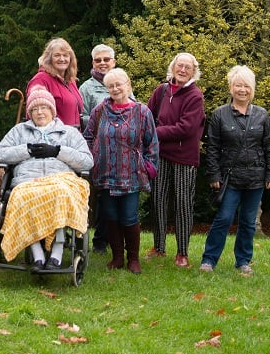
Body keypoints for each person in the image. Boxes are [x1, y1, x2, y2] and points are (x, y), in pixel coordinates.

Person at [0, 87, 93, 269]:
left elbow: (87, 162)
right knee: (22, 196)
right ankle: (38, 254)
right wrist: (26, 150)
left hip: (61, 180)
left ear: (52, 110)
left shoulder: (68, 133)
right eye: (35, 109)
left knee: (61, 193)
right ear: (29, 113)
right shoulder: (19, 131)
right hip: (28, 181)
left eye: (44, 108)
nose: (40, 112)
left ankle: (57, 253)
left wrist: (58, 151)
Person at [199, 65, 270, 276]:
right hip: (229, 178)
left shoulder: (262, 115)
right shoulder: (219, 114)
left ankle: (243, 261)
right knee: (224, 218)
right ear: (231, 87)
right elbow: (212, 148)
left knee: (248, 222)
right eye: (238, 85)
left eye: (246, 86)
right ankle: (209, 259)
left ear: (252, 88)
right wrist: (214, 174)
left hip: (256, 177)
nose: (242, 90)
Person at [84, 68, 158, 273]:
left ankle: (133, 259)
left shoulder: (142, 112)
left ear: (128, 84)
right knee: (110, 216)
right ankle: (117, 257)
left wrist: (147, 166)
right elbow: (88, 137)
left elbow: (152, 143)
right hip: (105, 173)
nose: (115, 89)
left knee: (128, 216)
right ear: (106, 89)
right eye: (111, 86)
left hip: (131, 174)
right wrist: (93, 158)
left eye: (119, 84)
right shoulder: (99, 110)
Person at [145, 52, 205, 268]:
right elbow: (147, 115)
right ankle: (159, 247)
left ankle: (182, 253)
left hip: (184, 157)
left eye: (187, 67)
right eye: (179, 66)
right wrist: (148, 132)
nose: (182, 70)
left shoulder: (195, 96)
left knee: (182, 204)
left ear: (193, 71)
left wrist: (155, 132)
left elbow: (186, 128)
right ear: (173, 67)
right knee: (158, 201)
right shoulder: (161, 90)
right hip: (159, 155)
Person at [78, 43, 118, 253]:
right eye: (98, 60)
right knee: (103, 195)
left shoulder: (121, 82)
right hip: (99, 150)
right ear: (93, 62)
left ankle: (116, 239)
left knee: (119, 194)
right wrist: (103, 119)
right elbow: (81, 118)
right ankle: (100, 241)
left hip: (122, 151)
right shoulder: (86, 88)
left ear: (114, 61)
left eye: (106, 60)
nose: (102, 63)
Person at [26, 37, 84, 128]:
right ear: (49, 59)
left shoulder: (70, 81)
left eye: (65, 55)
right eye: (57, 55)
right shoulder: (40, 80)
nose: (62, 59)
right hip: (53, 139)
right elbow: (36, 116)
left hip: (73, 138)